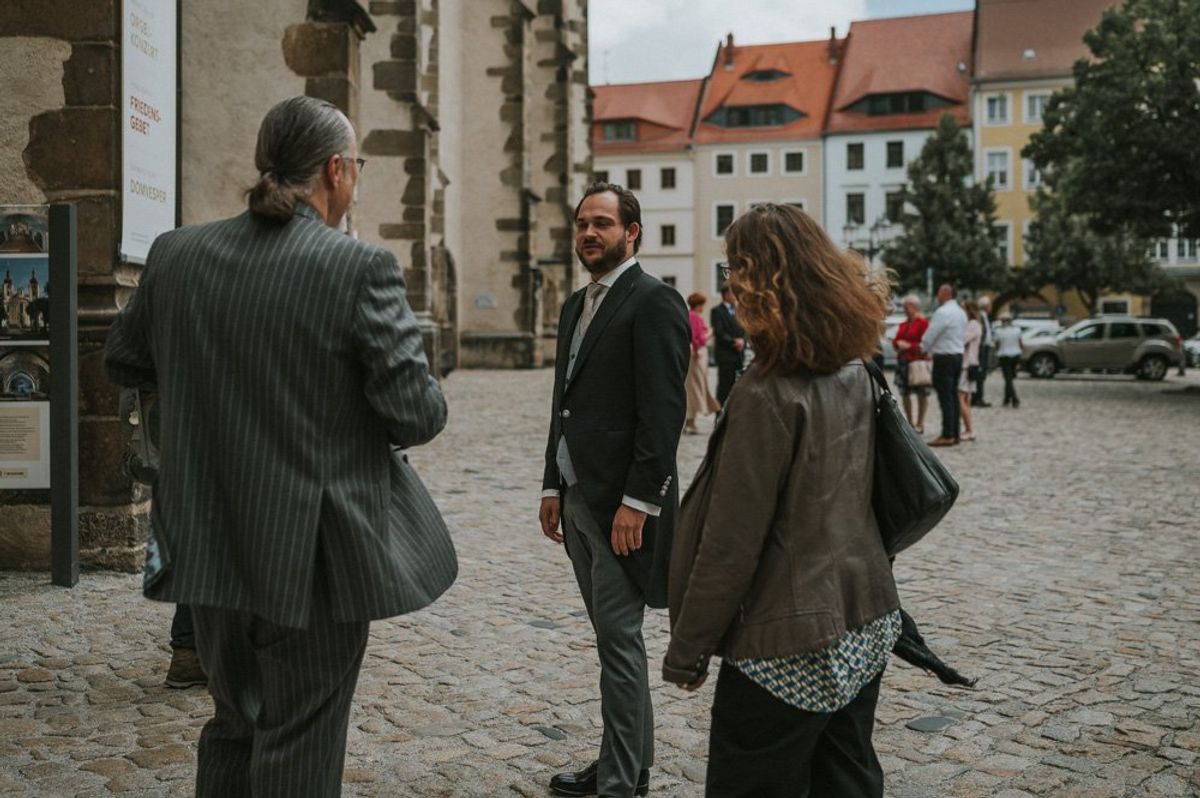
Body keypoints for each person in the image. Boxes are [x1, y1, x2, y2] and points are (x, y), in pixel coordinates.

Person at [104, 96, 454, 797]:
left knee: (234, 724)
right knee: (301, 735)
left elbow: (125, 359)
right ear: (333, 170)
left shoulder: (176, 254)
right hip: (315, 554)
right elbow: (416, 413)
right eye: (356, 165)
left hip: (207, 538)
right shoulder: (357, 268)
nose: (355, 177)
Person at [663, 203, 900, 797]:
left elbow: (731, 542)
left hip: (785, 638)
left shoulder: (767, 394)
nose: (727, 286)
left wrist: (687, 651)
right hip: (863, 612)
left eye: (734, 269)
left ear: (761, 281)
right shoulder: (856, 367)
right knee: (846, 779)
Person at [539, 182, 690, 798]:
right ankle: (622, 764)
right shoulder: (577, 305)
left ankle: (622, 781)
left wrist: (639, 502)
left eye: (602, 223)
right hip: (577, 497)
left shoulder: (656, 301)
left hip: (624, 505)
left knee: (621, 643)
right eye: (581, 223)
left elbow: (663, 414)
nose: (588, 233)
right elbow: (564, 403)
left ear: (633, 232)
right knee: (610, 641)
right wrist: (552, 481)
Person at [922, 284, 968, 447]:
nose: (937, 294)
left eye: (940, 291)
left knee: (945, 396)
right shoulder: (961, 313)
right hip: (957, 355)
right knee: (953, 396)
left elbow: (932, 333)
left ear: (947, 293)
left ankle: (947, 434)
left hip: (944, 357)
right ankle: (954, 432)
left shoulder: (943, 312)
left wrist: (924, 348)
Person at [891, 294, 930, 433]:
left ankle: (920, 422)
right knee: (904, 392)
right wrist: (897, 344)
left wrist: (909, 346)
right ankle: (910, 422)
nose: (905, 309)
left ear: (914, 307)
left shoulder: (923, 324)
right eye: (904, 306)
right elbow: (895, 340)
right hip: (903, 362)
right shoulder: (903, 325)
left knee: (922, 393)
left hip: (917, 362)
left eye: (907, 306)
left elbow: (925, 343)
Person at [684, 292, 721, 434]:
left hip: (696, 354)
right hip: (697, 355)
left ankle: (691, 422)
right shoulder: (694, 317)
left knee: (694, 388)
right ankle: (690, 423)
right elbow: (698, 338)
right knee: (694, 389)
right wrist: (710, 333)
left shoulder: (691, 316)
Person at [710, 282, 746, 404]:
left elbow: (744, 329)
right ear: (725, 294)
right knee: (724, 388)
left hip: (739, 355)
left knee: (738, 387)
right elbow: (719, 332)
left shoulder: (739, 310)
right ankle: (720, 417)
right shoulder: (717, 311)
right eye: (733, 293)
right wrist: (733, 342)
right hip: (725, 355)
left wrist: (743, 341)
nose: (735, 296)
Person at [957, 300, 983, 442]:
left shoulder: (973, 325)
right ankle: (968, 427)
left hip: (966, 364)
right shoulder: (974, 325)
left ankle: (969, 429)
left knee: (961, 397)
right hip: (970, 364)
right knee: (965, 398)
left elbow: (961, 340)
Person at [994, 312, 1022, 407]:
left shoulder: (999, 331)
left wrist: (996, 352)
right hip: (1015, 355)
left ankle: (1014, 398)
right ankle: (1006, 399)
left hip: (1004, 355)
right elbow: (1020, 342)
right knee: (1009, 378)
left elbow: (997, 345)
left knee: (1008, 379)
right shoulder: (1017, 330)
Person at [972, 296, 994, 407]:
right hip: (980, 350)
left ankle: (979, 396)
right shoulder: (980, 317)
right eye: (989, 305)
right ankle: (978, 398)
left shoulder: (985, 317)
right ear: (985, 306)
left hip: (985, 349)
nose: (991, 307)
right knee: (980, 374)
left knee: (982, 375)